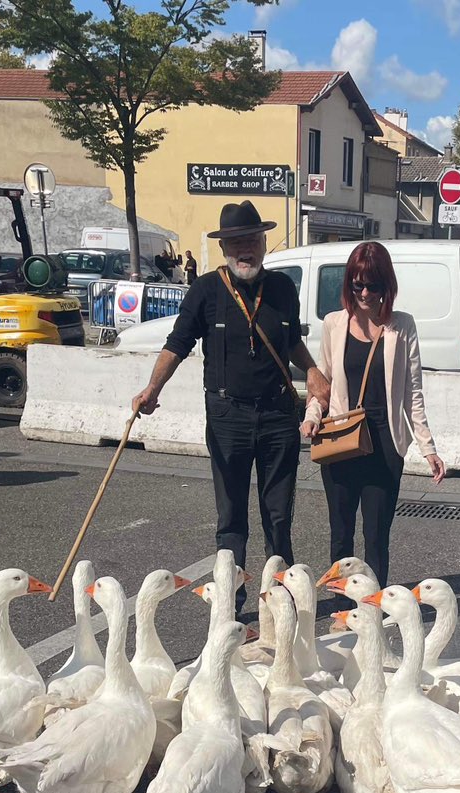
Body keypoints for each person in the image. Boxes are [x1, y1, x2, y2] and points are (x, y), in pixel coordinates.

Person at [132, 200, 330, 614]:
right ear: (225, 248)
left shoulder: (281, 288)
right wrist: (152, 388)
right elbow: (178, 343)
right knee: (231, 519)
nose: (246, 250)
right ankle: (231, 603)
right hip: (227, 417)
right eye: (237, 242)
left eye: (252, 240)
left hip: (278, 416)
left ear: (263, 243)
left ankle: (282, 601)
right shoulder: (205, 290)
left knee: (278, 516)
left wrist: (311, 370)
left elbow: (290, 341)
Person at [301, 241, 445, 590]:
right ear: (349, 284)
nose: (365, 293)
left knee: (377, 533)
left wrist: (428, 448)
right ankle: (341, 604)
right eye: (357, 284)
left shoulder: (402, 326)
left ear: (387, 287)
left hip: (384, 439)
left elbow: (413, 392)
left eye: (373, 285)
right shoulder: (334, 324)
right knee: (341, 531)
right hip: (340, 435)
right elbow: (323, 382)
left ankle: (375, 603)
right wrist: (311, 414)